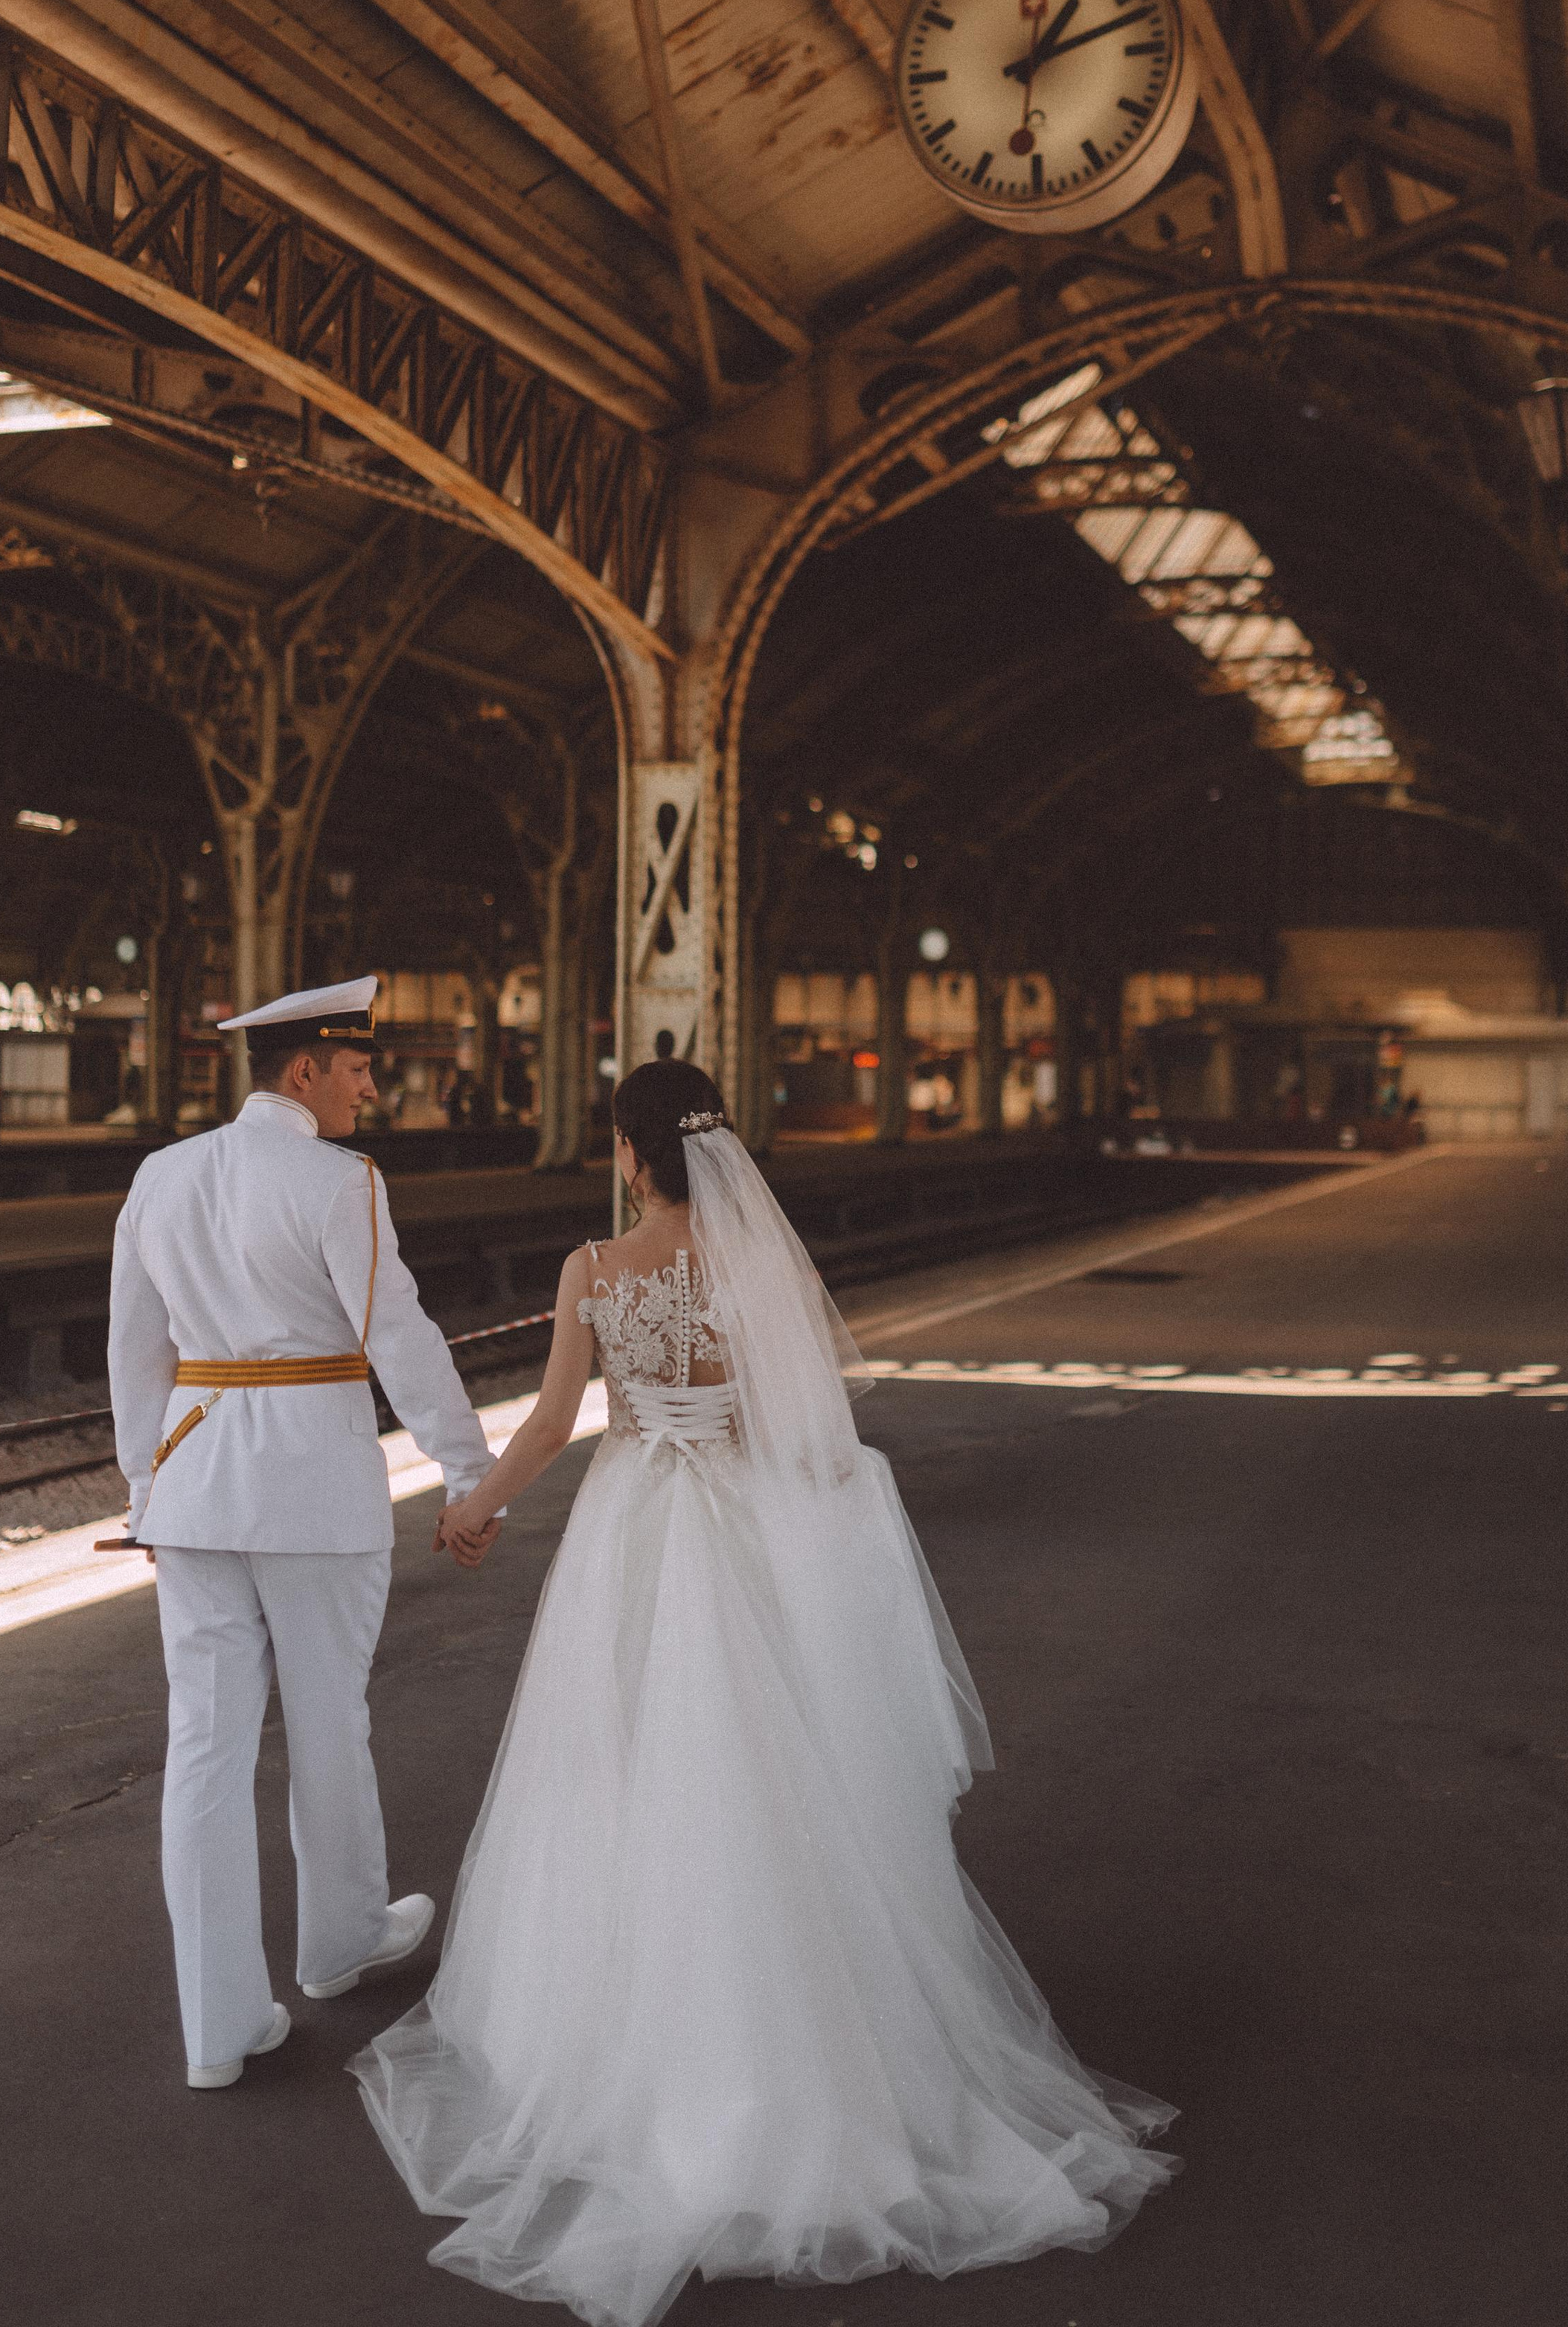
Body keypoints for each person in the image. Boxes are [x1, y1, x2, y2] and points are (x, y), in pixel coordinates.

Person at [352, 1057, 1176, 2323]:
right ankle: (803, 2044)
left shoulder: (595, 1267)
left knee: (624, 1772)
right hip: (745, 1532)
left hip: (633, 1536)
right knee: (770, 1775)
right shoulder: (765, 1269)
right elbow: (813, 1439)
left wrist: (472, 1509)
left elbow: (558, 1418)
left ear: (631, 1154)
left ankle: (630, 2033)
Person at [108, 976, 504, 2093]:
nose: (373, 1085)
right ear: (304, 1072)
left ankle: (216, 2027)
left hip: (193, 1490)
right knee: (329, 1718)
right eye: (358, 1066)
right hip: (314, 1491)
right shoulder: (341, 1182)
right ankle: (337, 1944)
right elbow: (400, 1335)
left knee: (206, 1747)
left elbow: (133, 1345)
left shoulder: (161, 1174)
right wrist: (468, 1472)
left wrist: (147, 1478)